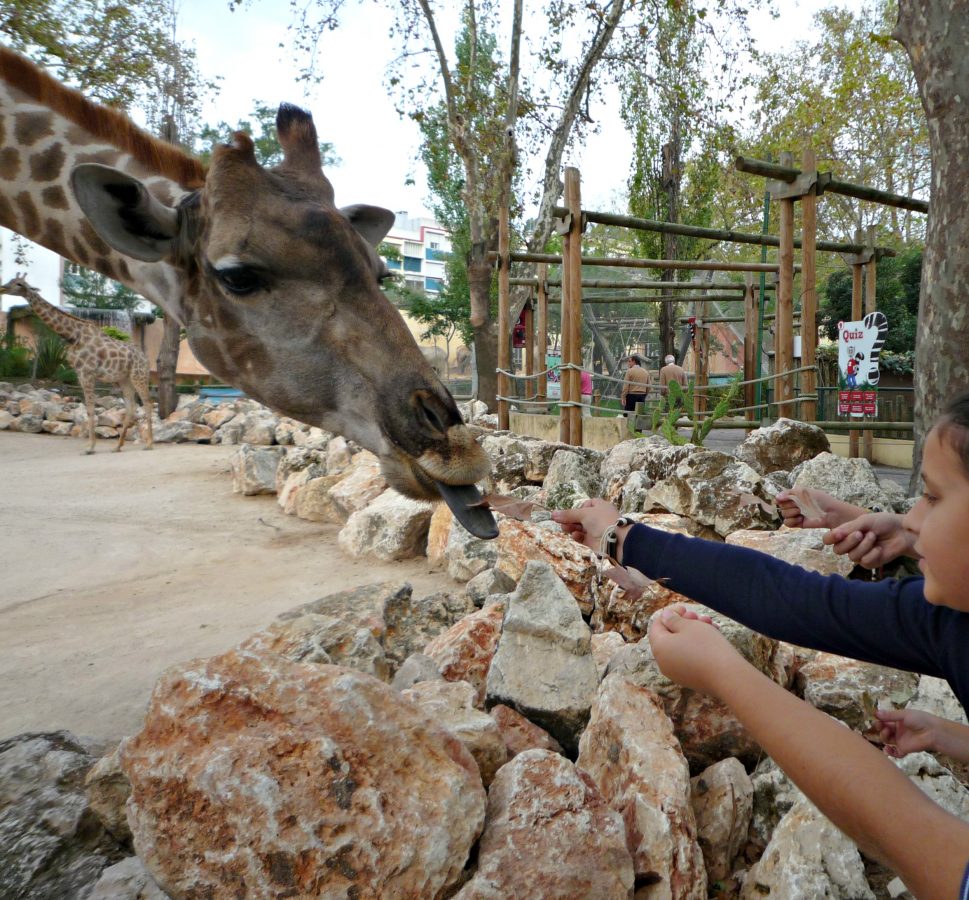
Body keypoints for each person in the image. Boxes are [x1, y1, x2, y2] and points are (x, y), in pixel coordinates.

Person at [552, 391, 969, 763]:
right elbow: (784, 596)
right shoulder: (948, 617)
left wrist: (726, 675)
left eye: (933, 497)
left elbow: (922, 840)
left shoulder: (946, 623)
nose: (913, 518)